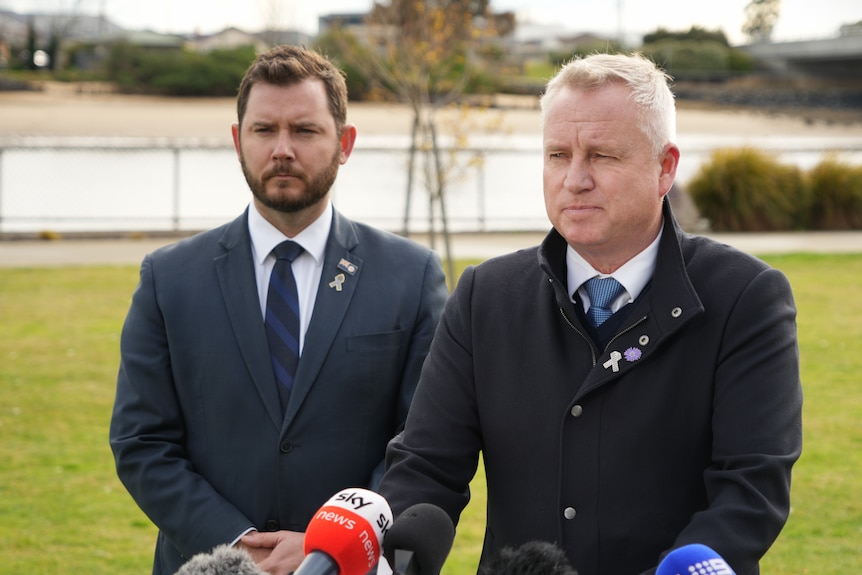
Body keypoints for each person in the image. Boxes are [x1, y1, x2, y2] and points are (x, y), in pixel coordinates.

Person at [378, 52, 803, 575]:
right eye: (558, 154)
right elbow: (425, 468)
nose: (574, 179)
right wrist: (386, 558)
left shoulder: (747, 297)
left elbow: (749, 495)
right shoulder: (483, 295)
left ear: (665, 167)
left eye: (601, 155)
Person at [109, 45, 448, 575]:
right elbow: (141, 441)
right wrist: (235, 544)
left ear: (345, 143)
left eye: (305, 131)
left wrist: (325, 544)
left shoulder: (411, 275)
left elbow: (423, 444)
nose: (282, 149)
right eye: (264, 130)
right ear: (238, 140)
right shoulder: (168, 278)